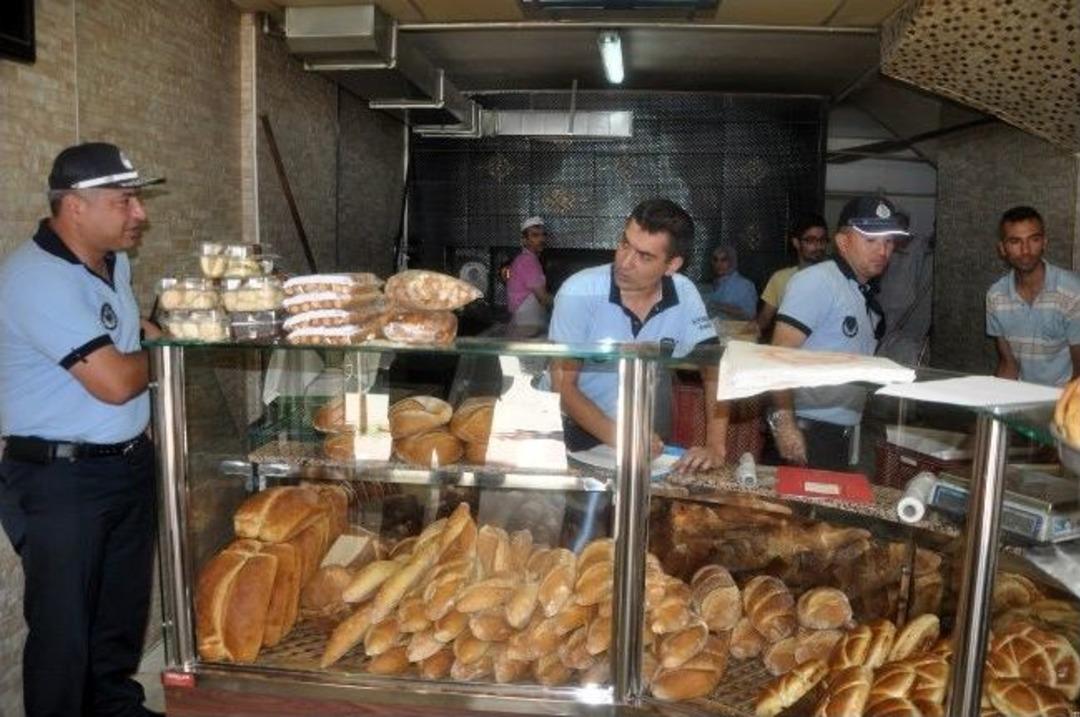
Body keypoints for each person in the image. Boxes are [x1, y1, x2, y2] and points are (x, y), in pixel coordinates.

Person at [0, 142, 165, 717]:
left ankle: (117, 708)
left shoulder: (111, 262)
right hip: (60, 480)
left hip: (123, 466)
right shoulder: (35, 279)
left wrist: (167, 326)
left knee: (118, 617)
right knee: (64, 634)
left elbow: (133, 327)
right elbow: (116, 381)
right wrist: (171, 352)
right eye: (125, 202)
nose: (138, 214)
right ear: (75, 206)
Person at [548, 198, 728, 472]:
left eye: (644, 256)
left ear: (672, 265)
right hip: (566, 435)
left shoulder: (685, 293)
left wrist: (715, 447)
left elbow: (714, 368)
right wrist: (621, 436)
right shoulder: (579, 291)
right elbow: (562, 385)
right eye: (624, 244)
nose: (625, 262)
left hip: (640, 437)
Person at [767, 195, 908, 470]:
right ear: (843, 242)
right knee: (797, 512)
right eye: (871, 240)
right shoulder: (818, 281)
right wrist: (785, 424)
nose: (883, 251)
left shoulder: (860, 292)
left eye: (889, 241)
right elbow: (778, 355)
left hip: (841, 430)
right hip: (808, 428)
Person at [987, 205, 1080, 386]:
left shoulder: (1072, 291)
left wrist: (1061, 411)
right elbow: (1008, 365)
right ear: (1002, 248)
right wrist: (991, 408)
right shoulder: (996, 296)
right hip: (1022, 403)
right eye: (1015, 241)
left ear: (1044, 242)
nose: (1025, 250)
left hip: (1065, 401)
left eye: (1034, 239)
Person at [756, 214, 829, 335]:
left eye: (822, 240)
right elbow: (763, 320)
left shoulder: (837, 277)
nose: (818, 246)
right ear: (796, 243)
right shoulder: (780, 278)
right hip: (790, 349)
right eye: (810, 240)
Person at [506, 215, 552, 335]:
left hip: (526, 322)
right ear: (524, 240)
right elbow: (542, 298)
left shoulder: (526, 259)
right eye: (535, 235)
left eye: (543, 235)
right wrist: (564, 303)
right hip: (527, 324)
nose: (541, 239)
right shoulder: (528, 261)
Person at [705, 243, 757, 320]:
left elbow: (750, 314)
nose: (718, 264)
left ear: (732, 261)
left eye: (724, 260)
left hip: (736, 330)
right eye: (715, 260)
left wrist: (717, 306)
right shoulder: (715, 284)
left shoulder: (744, 285)